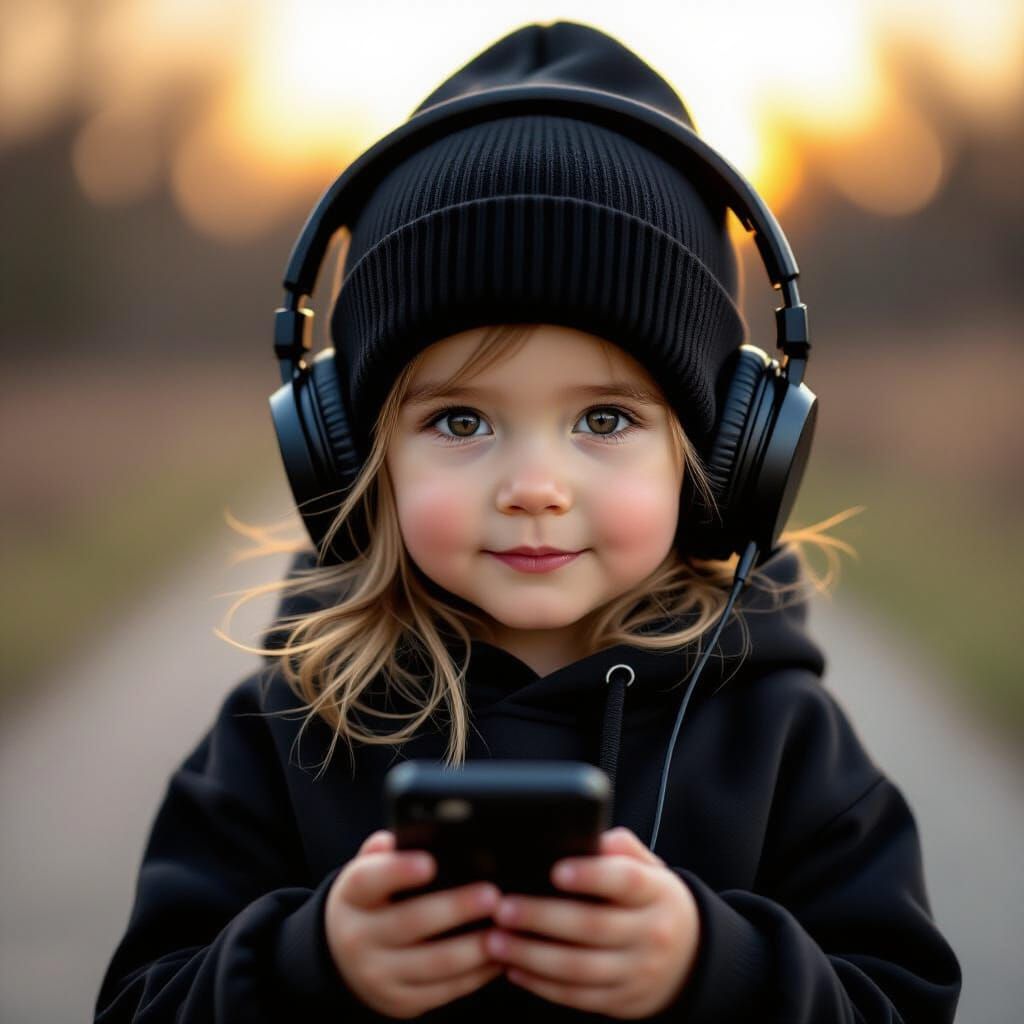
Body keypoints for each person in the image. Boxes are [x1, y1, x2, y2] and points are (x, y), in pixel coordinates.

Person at [94, 20, 962, 1023]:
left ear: (720, 455)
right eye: (460, 420)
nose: (534, 484)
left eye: (604, 418)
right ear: (351, 456)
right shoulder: (288, 730)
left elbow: (898, 1001)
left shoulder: (780, 739)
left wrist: (711, 968)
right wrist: (309, 965)